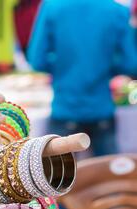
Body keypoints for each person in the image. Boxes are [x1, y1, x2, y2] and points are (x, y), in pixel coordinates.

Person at [28, 0, 137, 156]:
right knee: (108, 176)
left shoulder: (52, 6)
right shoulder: (116, 10)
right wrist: (102, 66)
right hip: (101, 110)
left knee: (58, 177)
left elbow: (37, 60)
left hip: (65, 108)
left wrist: (64, 66)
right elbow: (130, 63)